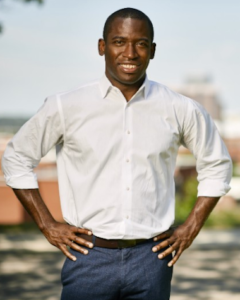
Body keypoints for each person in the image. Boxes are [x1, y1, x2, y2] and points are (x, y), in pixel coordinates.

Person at [2, 7, 232, 300]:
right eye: (119, 41)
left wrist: (190, 227)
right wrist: (47, 224)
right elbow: (16, 158)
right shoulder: (66, 105)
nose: (130, 53)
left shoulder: (180, 108)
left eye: (141, 43)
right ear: (102, 47)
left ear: (153, 50)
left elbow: (217, 165)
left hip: (152, 259)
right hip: (88, 256)